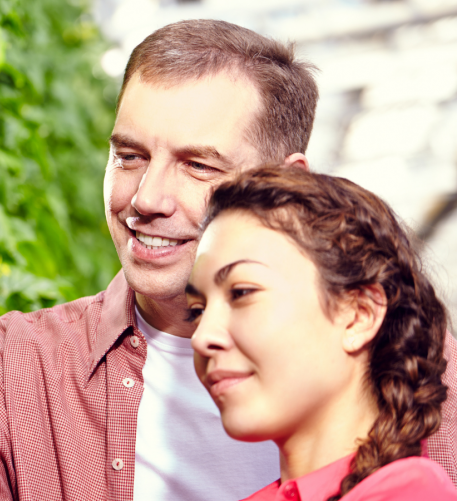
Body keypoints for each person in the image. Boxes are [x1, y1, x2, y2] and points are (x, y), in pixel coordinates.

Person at [0, 19, 457, 501]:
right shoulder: (29, 365)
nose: (146, 199)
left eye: (198, 165)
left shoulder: (430, 375)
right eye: (128, 156)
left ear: (281, 184)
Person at [187, 167, 457, 500]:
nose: (200, 338)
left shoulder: (410, 491)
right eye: (196, 311)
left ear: (359, 315)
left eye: (241, 292)